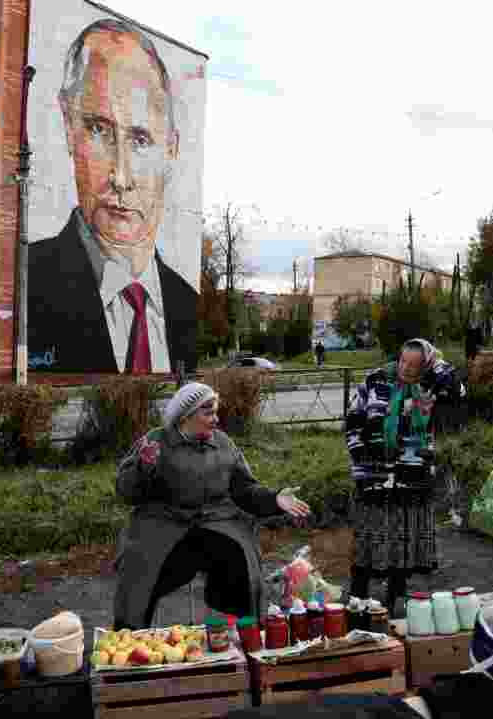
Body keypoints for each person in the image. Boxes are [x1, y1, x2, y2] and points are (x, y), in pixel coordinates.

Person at [28, 19, 198, 375]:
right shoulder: (27, 285)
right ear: (67, 125)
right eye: (99, 130)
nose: (120, 177)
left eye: (140, 140)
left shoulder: (185, 303)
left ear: (171, 149)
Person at [113, 382, 311, 628]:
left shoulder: (224, 444)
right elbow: (127, 491)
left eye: (215, 412)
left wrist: (275, 498)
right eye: (208, 413)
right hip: (163, 524)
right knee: (141, 570)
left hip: (217, 523)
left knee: (240, 559)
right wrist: (143, 468)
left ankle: (242, 632)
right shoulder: (155, 442)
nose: (216, 419)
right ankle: (129, 636)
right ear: (185, 415)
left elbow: (245, 490)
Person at [344, 339, 465, 612]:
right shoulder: (375, 381)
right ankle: (357, 597)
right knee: (368, 537)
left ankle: (396, 595)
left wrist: (438, 369)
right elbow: (353, 418)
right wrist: (361, 452)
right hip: (374, 474)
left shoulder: (429, 387)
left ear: (425, 366)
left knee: (403, 537)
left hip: (411, 476)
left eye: (414, 364)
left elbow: (458, 391)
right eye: (402, 361)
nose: (405, 368)